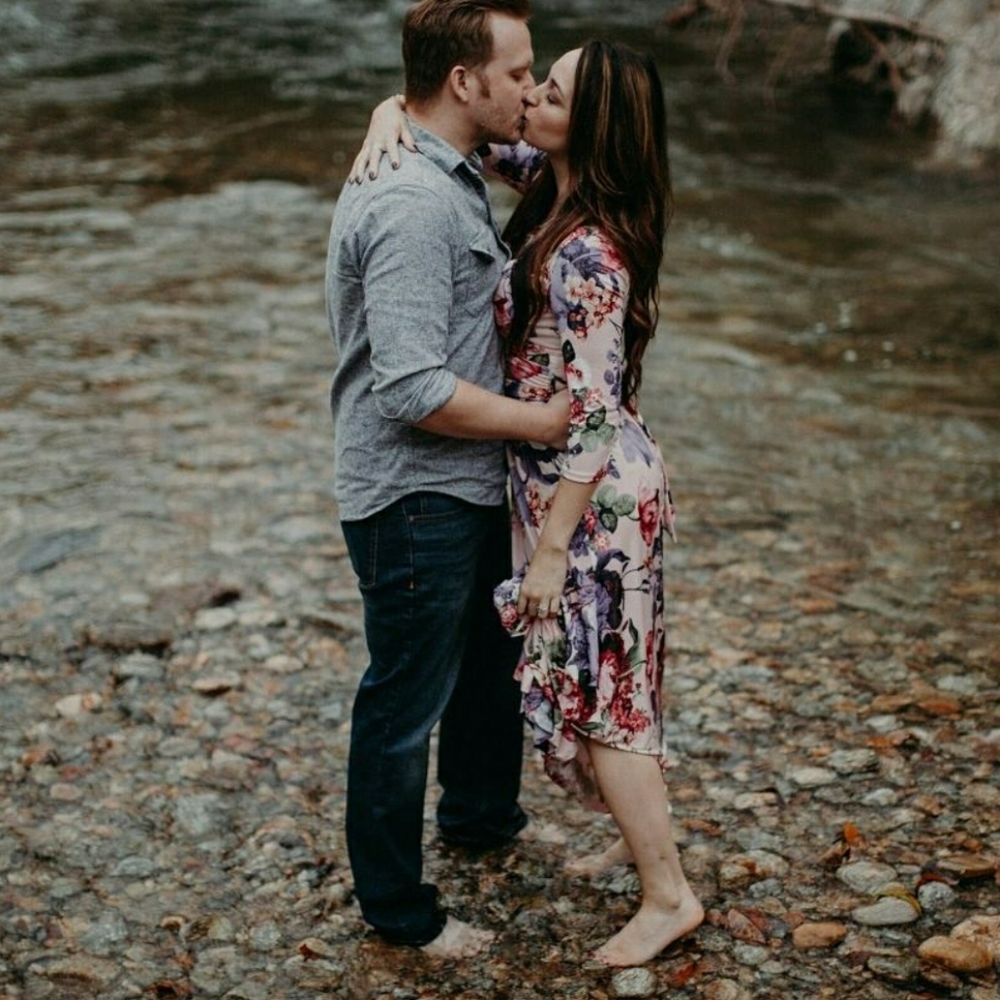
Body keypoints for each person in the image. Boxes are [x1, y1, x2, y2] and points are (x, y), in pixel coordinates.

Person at [358, 38, 705, 967]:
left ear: (584, 123)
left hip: (592, 500)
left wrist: (549, 550)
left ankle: (668, 896)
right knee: (593, 678)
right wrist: (391, 112)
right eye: (532, 78)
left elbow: (589, 419)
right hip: (567, 490)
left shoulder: (589, 249)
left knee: (607, 695)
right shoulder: (556, 183)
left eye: (548, 90)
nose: (530, 97)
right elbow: (451, 129)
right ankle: (645, 850)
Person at [325, 0, 570, 961]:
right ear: (465, 82)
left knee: (487, 674)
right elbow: (411, 386)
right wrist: (544, 423)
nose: (530, 87)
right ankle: (399, 912)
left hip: (466, 482)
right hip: (411, 494)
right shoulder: (413, 202)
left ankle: (480, 822)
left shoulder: (456, 163)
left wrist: (393, 101)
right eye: (517, 72)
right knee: (403, 704)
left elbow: (572, 155)